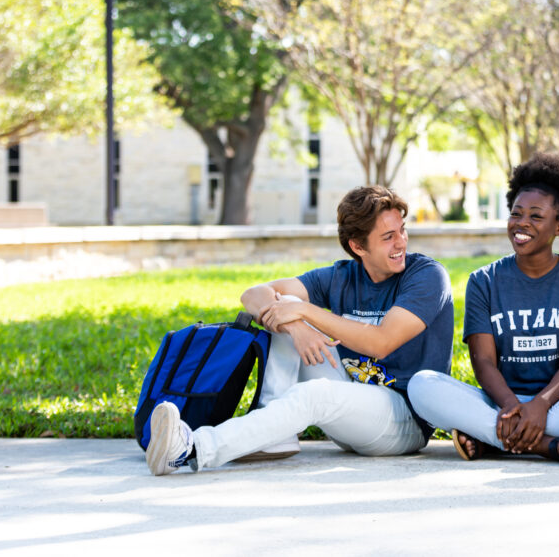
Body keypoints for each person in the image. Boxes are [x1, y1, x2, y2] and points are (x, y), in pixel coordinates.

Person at [145, 185, 454, 475]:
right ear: (357, 246)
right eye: (388, 237)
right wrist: (296, 325)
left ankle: (191, 448)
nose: (401, 242)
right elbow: (253, 294)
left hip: (401, 421)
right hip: (348, 408)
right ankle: (275, 432)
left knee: (311, 378)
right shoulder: (342, 276)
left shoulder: (426, 276)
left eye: (402, 230)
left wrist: (306, 312)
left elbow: (381, 343)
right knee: (285, 302)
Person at [408, 154, 559, 466]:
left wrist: (540, 405)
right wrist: (510, 405)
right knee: (422, 385)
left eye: (535, 216)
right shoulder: (483, 281)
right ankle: (547, 446)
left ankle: (493, 440)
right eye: (516, 214)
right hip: (499, 403)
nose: (522, 223)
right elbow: (484, 361)